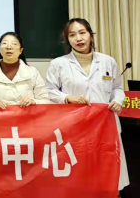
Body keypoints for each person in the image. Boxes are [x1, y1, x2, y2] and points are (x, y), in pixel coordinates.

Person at [45, 18, 129, 190]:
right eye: (72, 35)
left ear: (90, 35)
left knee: (107, 170)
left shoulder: (108, 61)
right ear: (67, 39)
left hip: (105, 125)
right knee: (79, 171)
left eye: (82, 33)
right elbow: (49, 91)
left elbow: (117, 88)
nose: (78, 38)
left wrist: (117, 101)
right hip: (75, 126)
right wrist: (67, 97)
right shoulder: (58, 64)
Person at [0, 32, 50, 108]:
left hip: (26, 115)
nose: (9, 47)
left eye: (14, 44)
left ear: (21, 50)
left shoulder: (32, 72)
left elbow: (46, 101)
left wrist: (33, 101)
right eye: (4, 43)